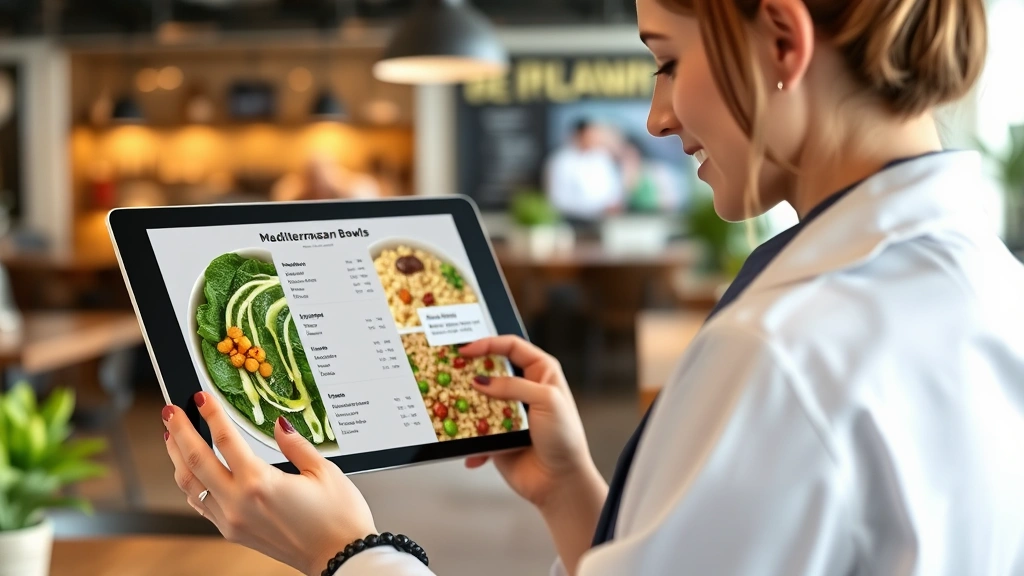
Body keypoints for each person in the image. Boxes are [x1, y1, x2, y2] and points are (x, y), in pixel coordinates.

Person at [161, 0, 1024, 574]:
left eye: (666, 60)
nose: (657, 116)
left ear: (782, 43)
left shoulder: (784, 352)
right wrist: (576, 495)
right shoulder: (986, 283)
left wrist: (352, 552)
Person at [544, 119, 624, 222]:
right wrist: (594, 209)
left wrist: (612, 205)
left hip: (605, 221)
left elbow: (614, 190)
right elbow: (557, 200)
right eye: (590, 135)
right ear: (579, 135)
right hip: (572, 221)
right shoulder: (561, 161)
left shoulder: (602, 157)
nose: (595, 139)